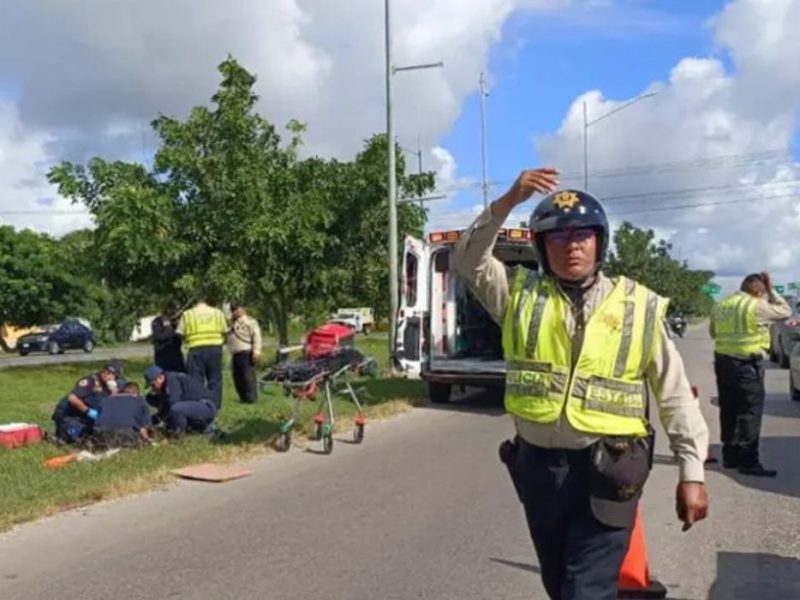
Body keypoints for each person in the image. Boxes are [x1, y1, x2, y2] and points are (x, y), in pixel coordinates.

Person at [452, 168, 710, 600]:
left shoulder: (637, 307)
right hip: (539, 471)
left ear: (599, 242)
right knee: (560, 584)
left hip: (610, 469)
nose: (571, 247)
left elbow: (676, 396)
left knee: (585, 590)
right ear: (540, 246)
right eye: (557, 238)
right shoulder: (518, 296)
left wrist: (692, 472)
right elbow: (467, 259)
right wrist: (508, 200)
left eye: (581, 237)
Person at [709, 272, 790, 476]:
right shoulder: (755, 305)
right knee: (750, 413)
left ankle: (730, 456)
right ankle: (748, 461)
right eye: (763, 292)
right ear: (758, 290)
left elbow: (713, 333)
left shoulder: (721, 305)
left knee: (729, 409)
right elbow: (785, 311)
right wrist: (772, 290)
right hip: (747, 365)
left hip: (723, 363)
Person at [51, 364, 121, 444]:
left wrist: (114, 391)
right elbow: (72, 398)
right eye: (106, 372)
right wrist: (88, 411)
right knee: (77, 440)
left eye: (113, 376)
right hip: (70, 415)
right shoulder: (91, 381)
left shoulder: (109, 386)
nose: (108, 376)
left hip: (86, 418)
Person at [176, 298, 227, 407]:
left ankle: (197, 402)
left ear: (194, 303)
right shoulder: (218, 313)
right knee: (215, 378)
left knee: (195, 379)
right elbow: (224, 331)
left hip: (195, 349)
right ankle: (215, 403)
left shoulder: (187, 314)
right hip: (215, 348)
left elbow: (180, 332)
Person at [144, 365, 219, 435]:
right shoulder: (167, 384)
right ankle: (196, 429)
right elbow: (164, 412)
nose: (153, 389)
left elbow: (173, 404)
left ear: (160, 378)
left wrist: (170, 429)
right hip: (196, 407)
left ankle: (177, 435)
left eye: (153, 385)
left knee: (176, 408)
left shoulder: (172, 380)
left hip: (206, 406)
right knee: (173, 409)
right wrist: (148, 422)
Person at [91, 382, 152, 447]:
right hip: (127, 436)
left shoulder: (106, 399)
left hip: (101, 437)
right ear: (137, 393)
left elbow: (98, 419)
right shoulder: (140, 399)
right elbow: (146, 425)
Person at [227, 303, 262, 403]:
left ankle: (251, 397)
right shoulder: (232, 323)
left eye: (236, 309)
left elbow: (256, 337)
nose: (235, 312)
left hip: (246, 351)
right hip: (235, 353)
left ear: (242, 309)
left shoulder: (250, 322)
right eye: (233, 310)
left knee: (247, 376)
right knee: (237, 377)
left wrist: (256, 351)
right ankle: (243, 397)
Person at [151, 304, 185, 372]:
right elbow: (161, 337)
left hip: (176, 357)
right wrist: (168, 326)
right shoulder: (157, 322)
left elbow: (179, 338)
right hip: (162, 357)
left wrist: (177, 327)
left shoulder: (175, 323)